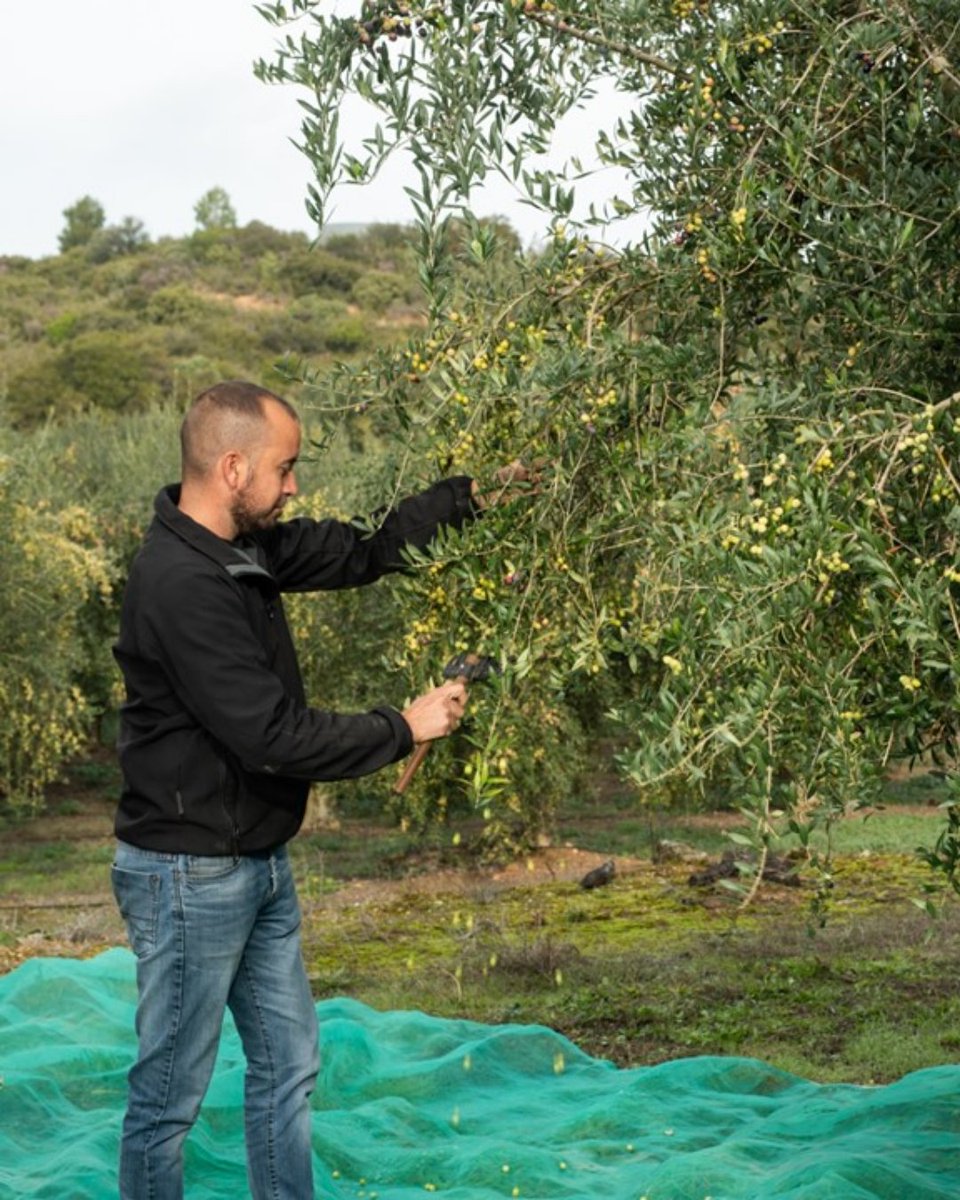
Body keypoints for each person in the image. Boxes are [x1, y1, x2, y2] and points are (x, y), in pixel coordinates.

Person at [111, 379, 520, 1200]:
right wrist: (404, 727)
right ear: (233, 468)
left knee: (288, 1069)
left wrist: (470, 497)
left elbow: (362, 548)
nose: (295, 486)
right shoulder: (183, 586)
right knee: (168, 1101)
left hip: (256, 861)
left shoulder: (238, 548)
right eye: (285, 468)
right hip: (190, 875)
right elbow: (272, 737)